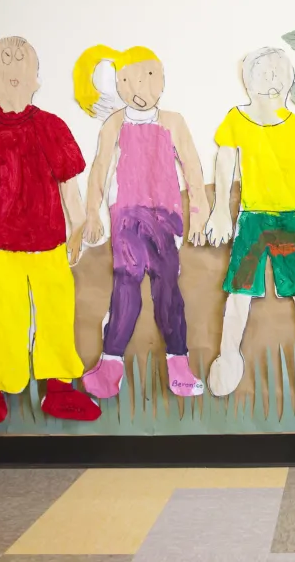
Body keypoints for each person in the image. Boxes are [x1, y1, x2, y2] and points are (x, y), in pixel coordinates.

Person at [0, 37, 100, 427]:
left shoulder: (51, 126)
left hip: (48, 244)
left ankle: (59, 386)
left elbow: (70, 187)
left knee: (55, 313)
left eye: (21, 64)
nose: (13, 70)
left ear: (36, 80)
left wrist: (79, 226)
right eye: (3, 65)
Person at [205, 47, 295, 396]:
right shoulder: (235, 121)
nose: (273, 82)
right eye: (265, 74)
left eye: (279, 75)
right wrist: (221, 210)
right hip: (252, 218)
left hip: (292, 219)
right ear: (248, 80)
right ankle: (228, 356)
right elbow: (225, 161)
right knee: (239, 287)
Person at [73, 44, 208, 398]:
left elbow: (192, 166)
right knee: (125, 285)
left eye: (148, 78)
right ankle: (110, 364)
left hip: (165, 218)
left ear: (161, 80)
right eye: (129, 80)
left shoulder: (173, 122)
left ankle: (179, 364)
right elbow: (99, 168)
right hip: (126, 218)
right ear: (118, 83)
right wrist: (92, 213)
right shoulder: (114, 123)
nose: (139, 90)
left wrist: (198, 212)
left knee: (167, 287)